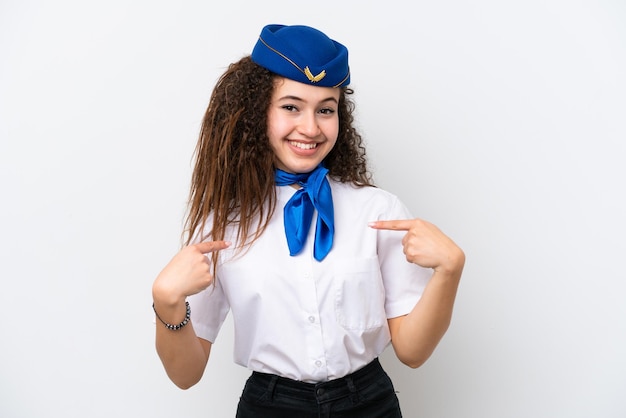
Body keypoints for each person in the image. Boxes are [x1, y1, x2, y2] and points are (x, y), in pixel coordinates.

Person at [152, 23, 465, 417]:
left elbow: (413, 352)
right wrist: (167, 303)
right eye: (291, 106)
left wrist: (449, 271)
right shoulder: (222, 226)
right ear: (257, 112)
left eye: (326, 110)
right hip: (270, 407)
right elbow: (186, 373)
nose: (311, 128)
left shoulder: (379, 212)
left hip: (369, 404)